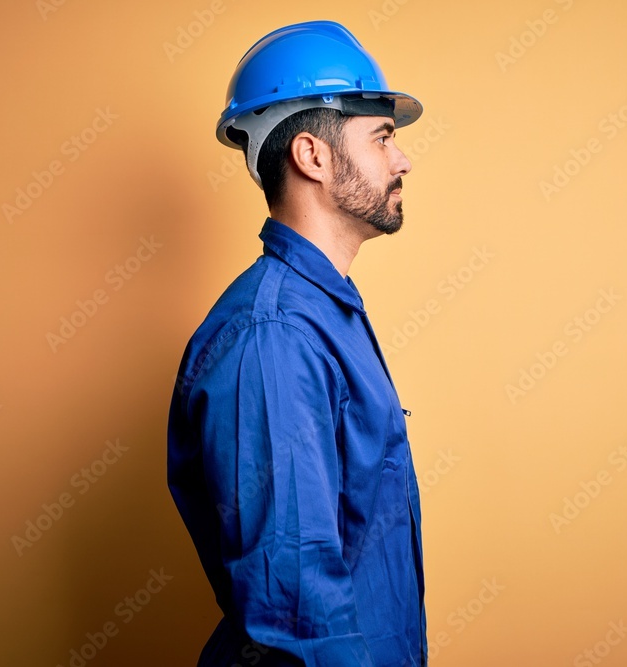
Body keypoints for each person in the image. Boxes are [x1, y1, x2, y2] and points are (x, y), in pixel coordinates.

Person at [167, 20, 427, 666]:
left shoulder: (324, 312)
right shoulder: (274, 337)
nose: (403, 159)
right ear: (311, 155)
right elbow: (300, 615)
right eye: (383, 137)